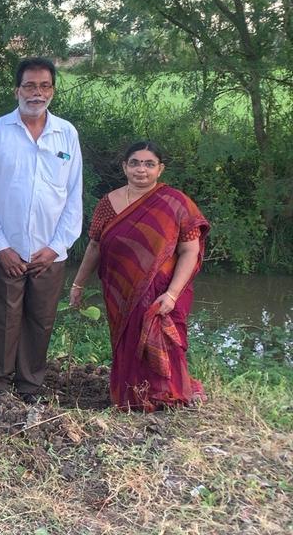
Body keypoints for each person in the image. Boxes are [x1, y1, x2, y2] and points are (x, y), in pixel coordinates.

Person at [70, 141, 209, 411]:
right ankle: (132, 396)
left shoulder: (176, 203)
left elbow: (190, 250)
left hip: (163, 289)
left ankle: (165, 395)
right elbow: (95, 245)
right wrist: (78, 284)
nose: (141, 170)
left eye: (149, 164)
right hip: (119, 290)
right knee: (129, 342)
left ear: (160, 169)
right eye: (134, 163)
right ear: (125, 167)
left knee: (162, 338)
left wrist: (172, 295)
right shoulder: (108, 203)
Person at [0, 57, 83, 403]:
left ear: (52, 90)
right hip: (5, 250)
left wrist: (56, 246)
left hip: (48, 251)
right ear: (17, 90)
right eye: (29, 85)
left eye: (44, 86)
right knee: (2, 320)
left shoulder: (66, 133)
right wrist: (1, 245)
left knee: (40, 320)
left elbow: (73, 195)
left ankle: (29, 387)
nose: (37, 93)